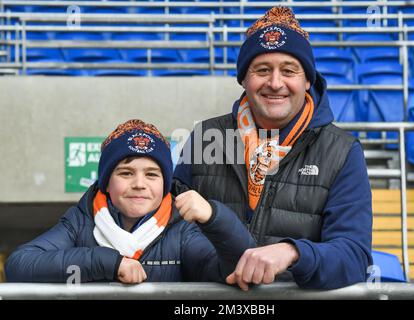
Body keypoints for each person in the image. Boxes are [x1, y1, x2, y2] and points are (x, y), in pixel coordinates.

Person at [172, 6, 373, 290]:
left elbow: (354, 258)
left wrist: (294, 253)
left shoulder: (343, 151)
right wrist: (226, 264)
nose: (275, 83)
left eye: (289, 70)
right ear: (244, 78)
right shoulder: (206, 136)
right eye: (262, 70)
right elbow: (172, 228)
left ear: (307, 80)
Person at [5, 119, 255, 283]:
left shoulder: (182, 229)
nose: (139, 183)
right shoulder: (80, 220)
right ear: (106, 182)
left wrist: (215, 217)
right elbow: (19, 265)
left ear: (165, 183)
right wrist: (108, 263)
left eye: (152, 174)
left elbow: (236, 270)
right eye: (125, 173)